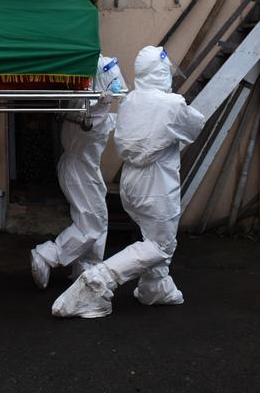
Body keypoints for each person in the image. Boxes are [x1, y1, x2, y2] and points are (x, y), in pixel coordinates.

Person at [52, 46, 205, 318]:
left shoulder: (130, 100)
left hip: (130, 182)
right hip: (156, 184)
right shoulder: (171, 104)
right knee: (160, 245)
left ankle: (155, 289)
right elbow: (195, 125)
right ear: (161, 72)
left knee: (151, 236)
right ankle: (98, 280)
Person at [30, 54, 126, 289]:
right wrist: (102, 105)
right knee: (92, 223)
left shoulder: (82, 109)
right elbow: (95, 125)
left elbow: (107, 121)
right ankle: (47, 255)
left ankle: (87, 269)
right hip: (79, 170)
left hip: (81, 169)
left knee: (95, 219)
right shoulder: (90, 113)